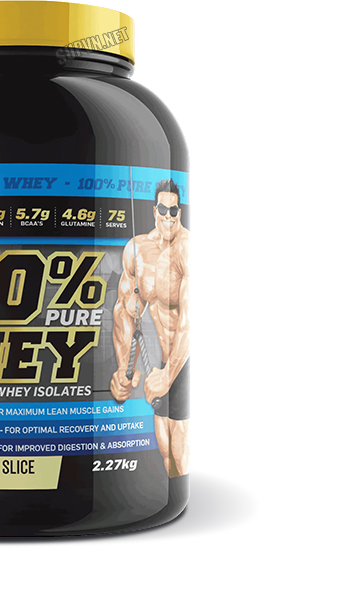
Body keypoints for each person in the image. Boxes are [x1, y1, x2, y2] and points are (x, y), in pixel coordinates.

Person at [110, 179, 190, 476]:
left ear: (180, 212)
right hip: (166, 364)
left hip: (187, 360)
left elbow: (191, 321)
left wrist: (168, 376)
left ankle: (181, 495)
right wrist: (124, 369)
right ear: (154, 210)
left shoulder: (186, 250)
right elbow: (125, 309)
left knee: (180, 448)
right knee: (165, 448)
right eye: (163, 210)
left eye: (174, 210)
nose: (169, 216)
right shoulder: (138, 249)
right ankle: (174, 492)